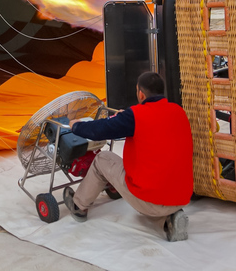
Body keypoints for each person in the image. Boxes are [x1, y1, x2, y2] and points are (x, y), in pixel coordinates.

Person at [64, 72, 193, 241]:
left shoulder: (134, 116)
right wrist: (126, 117)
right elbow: (154, 125)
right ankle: (170, 219)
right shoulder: (178, 111)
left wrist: (76, 126)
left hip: (149, 199)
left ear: (140, 93)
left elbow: (99, 130)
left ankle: (78, 206)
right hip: (182, 197)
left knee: (103, 159)